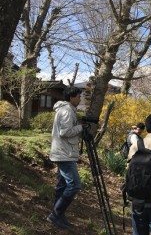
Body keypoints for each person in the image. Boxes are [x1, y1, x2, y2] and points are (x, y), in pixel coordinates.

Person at [47, 86, 84, 229]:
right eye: (78, 96)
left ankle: (59, 215)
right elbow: (65, 132)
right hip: (64, 154)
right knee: (74, 185)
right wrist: (81, 127)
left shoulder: (65, 110)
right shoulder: (67, 110)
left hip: (63, 152)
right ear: (71, 97)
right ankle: (55, 214)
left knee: (62, 185)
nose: (80, 99)